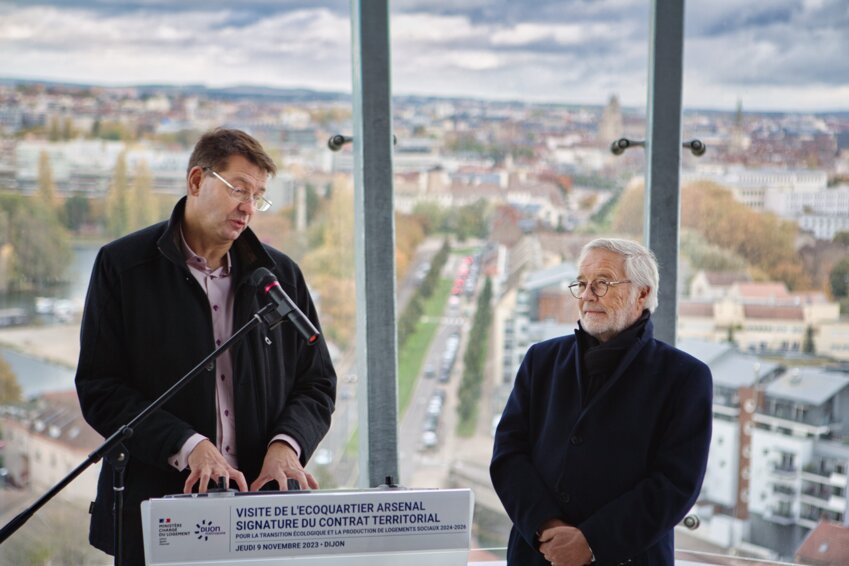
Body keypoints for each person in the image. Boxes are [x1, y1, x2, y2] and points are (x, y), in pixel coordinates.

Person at [75, 128, 336, 563]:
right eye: (239, 188)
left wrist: (286, 446)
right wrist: (189, 445)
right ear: (196, 181)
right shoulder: (123, 267)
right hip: (158, 519)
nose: (248, 207)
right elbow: (101, 389)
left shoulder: (280, 276)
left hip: (261, 521)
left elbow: (317, 383)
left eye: (258, 196)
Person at [490, 238, 712, 566]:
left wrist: (592, 542)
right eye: (581, 283)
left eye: (603, 283)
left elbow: (674, 485)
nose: (588, 294)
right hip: (539, 554)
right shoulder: (541, 359)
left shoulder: (685, 377)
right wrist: (548, 528)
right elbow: (508, 456)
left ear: (643, 293)